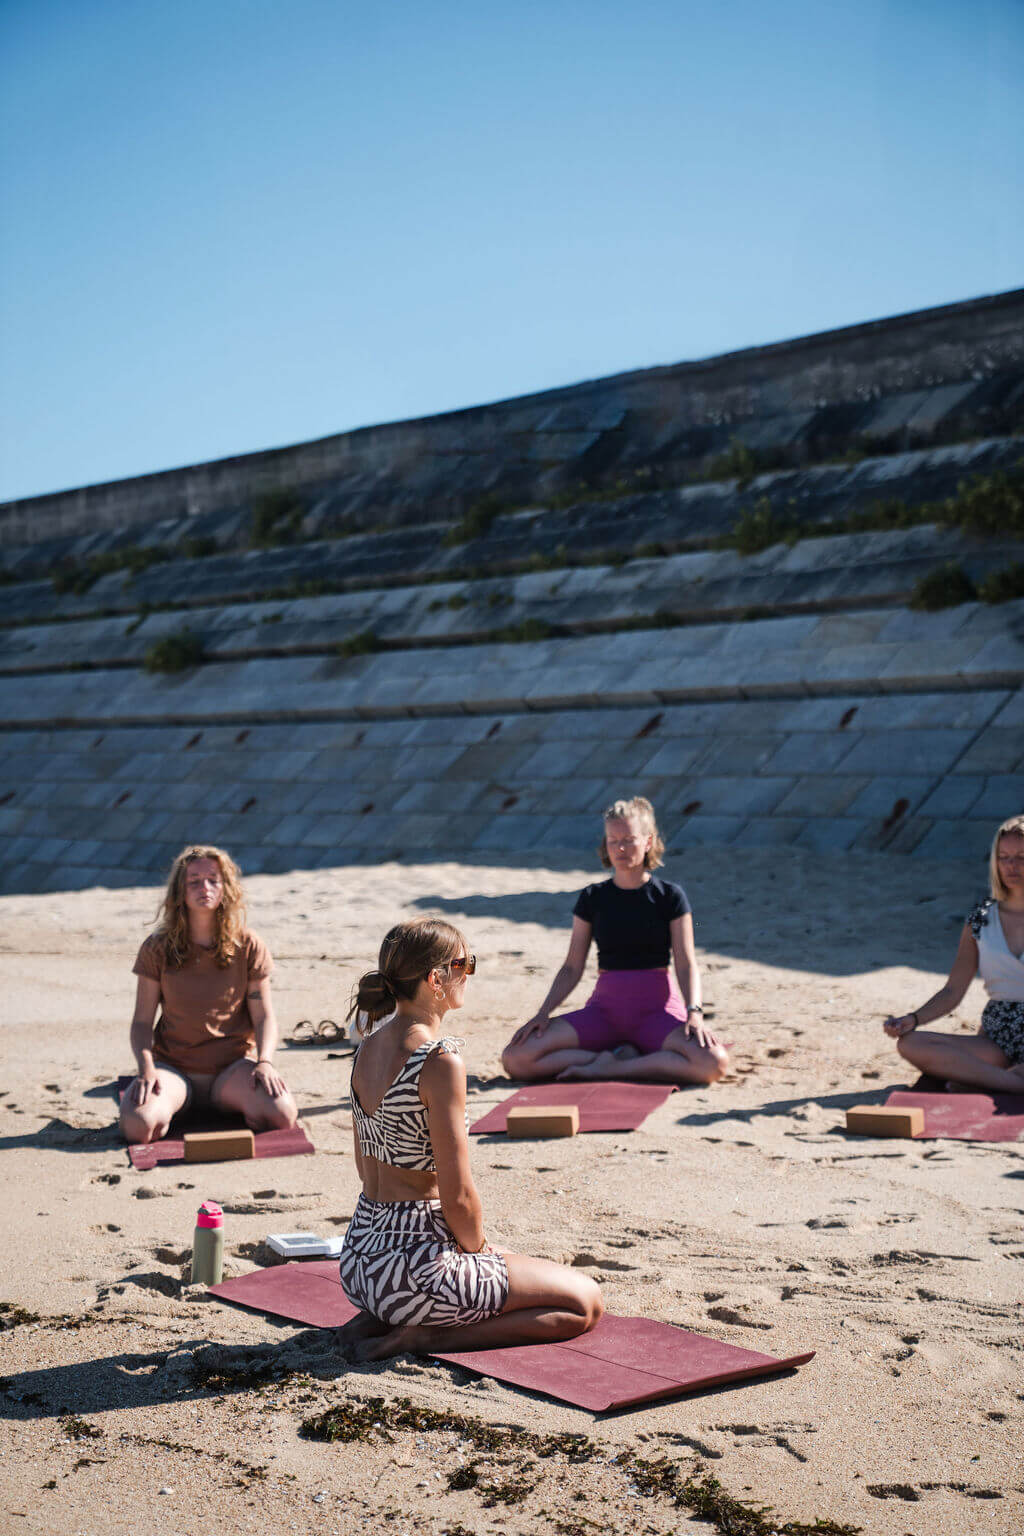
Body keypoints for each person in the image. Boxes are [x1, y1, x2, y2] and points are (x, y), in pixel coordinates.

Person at [337, 918, 603, 1361]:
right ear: (435, 979)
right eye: (464, 963)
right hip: (412, 1273)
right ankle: (423, 1337)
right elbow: (457, 1194)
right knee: (583, 1302)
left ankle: (389, 1316)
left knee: (512, 1264)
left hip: (361, 1261)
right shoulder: (438, 1061)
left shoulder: (368, 1046)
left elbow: (365, 1168)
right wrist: (480, 1253)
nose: (468, 974)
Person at [501, 797, 729, 1085]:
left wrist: (694, 1012)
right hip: (605, 1013)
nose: (620, 848)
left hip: (655, 1012)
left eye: (629, 840)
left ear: (648, 842)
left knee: (713, 1064)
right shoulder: (592, 898)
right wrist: (543, 1013)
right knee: (516, 1058)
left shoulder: (670, 896)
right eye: (613, 840)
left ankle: (616, 1067)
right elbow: (572, 967)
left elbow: (686, 964)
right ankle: (611, 1059)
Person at [119, 845, 298, 1144]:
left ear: (225, 887)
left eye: (213, 879)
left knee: (281, 1116)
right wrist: (146, 1068)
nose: (204, 887)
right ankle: (172, 1109)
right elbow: (141, 1022)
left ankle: (234, 1105)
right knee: (138, 1127)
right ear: (180, 890)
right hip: (174, 1070)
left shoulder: (249, 945)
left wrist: (265, 1061)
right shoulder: (157, 947)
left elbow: (263, 1015)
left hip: (232, 1070)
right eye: (194, 881)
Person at [884, 814, 1024, 1091]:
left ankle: (985, 1079)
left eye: (1022, 856)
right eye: (1004, 856)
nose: (1011, 865)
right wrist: (913, 1019)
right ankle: (1012, 1082)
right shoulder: (981, 917)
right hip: (999, 1037)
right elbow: (953, 991)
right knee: (912, 1043)